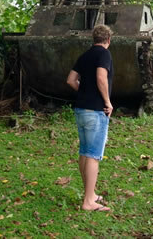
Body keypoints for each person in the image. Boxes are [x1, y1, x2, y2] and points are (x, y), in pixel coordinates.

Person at [66, 24, 114, 212]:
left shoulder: (85, 55)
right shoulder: (104, 54)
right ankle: (88, 201)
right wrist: (107, 102)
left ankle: (91, 194)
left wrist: (85, 91)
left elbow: (70, 80)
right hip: (95, 111)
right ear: (108, 40)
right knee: (93, 155)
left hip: (81, 109)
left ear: (93, 39)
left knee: (85, 152)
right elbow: (101, 77)